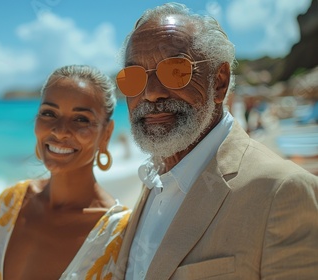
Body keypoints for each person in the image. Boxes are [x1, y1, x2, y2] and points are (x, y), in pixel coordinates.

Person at [113, 3, 318, 279]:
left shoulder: (282, 192)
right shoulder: (154, 180)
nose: (150, 93)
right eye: (133, 77)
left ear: (219, 83)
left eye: (175, 71)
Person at [0, 65, 131, 280]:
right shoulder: (10, 204)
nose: (59, 131)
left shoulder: (118, 234)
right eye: (49, 113)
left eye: (81, 119)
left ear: (106, 134)